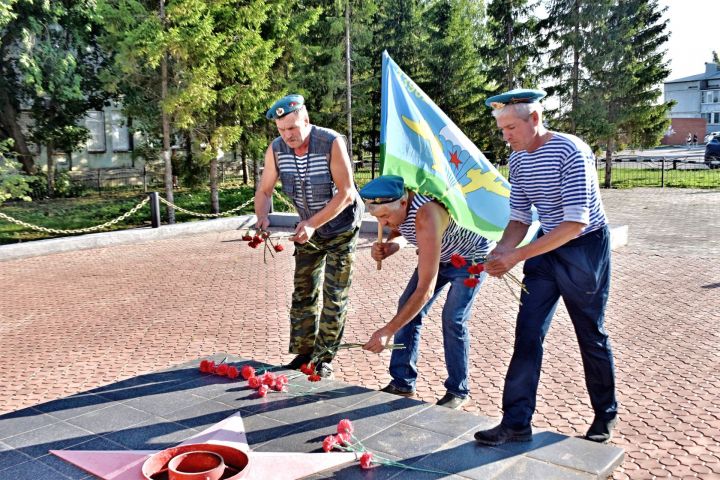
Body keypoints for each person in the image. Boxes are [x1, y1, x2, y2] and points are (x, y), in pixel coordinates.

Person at [474, 88, 618, 445]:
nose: (505, 135)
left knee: (590, 334)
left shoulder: (571, 151)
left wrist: (517, 256)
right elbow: (520, 218)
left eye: (510, 127)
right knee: (527, 332)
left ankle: (604, 416)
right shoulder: (519, 159)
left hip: (584, 248)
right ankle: (516, 422)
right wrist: (501, 251)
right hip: (546, 245)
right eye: (501, 129)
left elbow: (575, 223)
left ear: (534, 119)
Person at [254, 93, 364, 378]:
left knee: (334, 294)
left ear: (306, 120)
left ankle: (323, 358)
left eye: (293, 128)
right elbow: (265, 190)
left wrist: (313, 223)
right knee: (303, 290)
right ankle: (304, 354)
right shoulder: (276, 150)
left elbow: (347, 193)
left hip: (341, 228)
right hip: (309, 230)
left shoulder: (330, 142)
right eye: (281, 130)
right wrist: (262, 216)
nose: (288, 135)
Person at [360, 175, 492, 409]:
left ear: (403, 202)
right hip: (438, 255)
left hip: (469, 260)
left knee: (453, 319)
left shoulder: (426, 215)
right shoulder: (398, 208)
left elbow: (425, 289)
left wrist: (387, 331)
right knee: (407, 308)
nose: (384, 223)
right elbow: (402, 229)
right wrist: (392, 245)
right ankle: (402, 381)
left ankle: (458, 390)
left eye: (385, 216)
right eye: (377, 217)